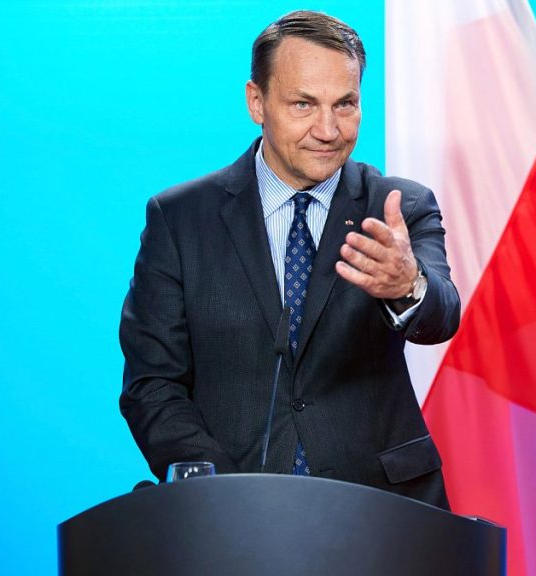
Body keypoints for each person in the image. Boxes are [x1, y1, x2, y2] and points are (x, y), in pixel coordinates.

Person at [118, 10, 459, 508]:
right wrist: (222, 491)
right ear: (256, 102)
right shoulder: (180, 219)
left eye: (345, 105)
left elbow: (441, 315)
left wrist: (408, 285)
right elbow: (152, 386)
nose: (328, 129)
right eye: (304, 104)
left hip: (384, 510)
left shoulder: (398, 207)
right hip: (231, 515)